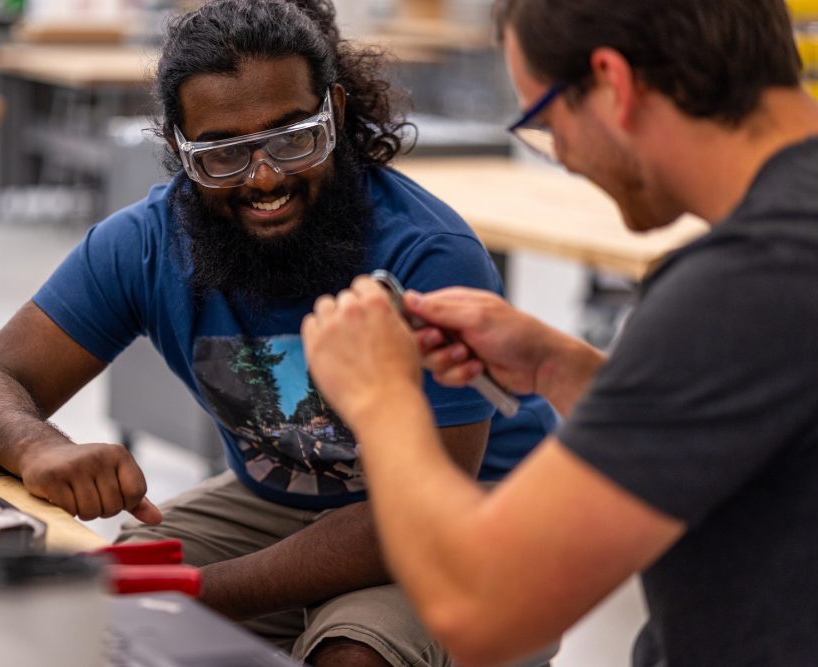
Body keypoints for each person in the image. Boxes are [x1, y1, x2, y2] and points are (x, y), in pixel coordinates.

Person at [0, 1, 557, 665]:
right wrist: (37, 446)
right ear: (180, 151)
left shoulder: (426, 254)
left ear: (337, 114)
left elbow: (411, 522)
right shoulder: (147, 243)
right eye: (222, 154)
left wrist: (199, 590)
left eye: (293, 137)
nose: (264, 177)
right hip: (285, 499)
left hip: (465, 517)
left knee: (355, 652)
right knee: (105, 614)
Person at [301, 0, 818, 665]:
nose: (564, 158)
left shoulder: (742, 285)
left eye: (546, 122)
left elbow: (481, 608)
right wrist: (562, 370)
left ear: (612, 83)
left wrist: (381, 396)